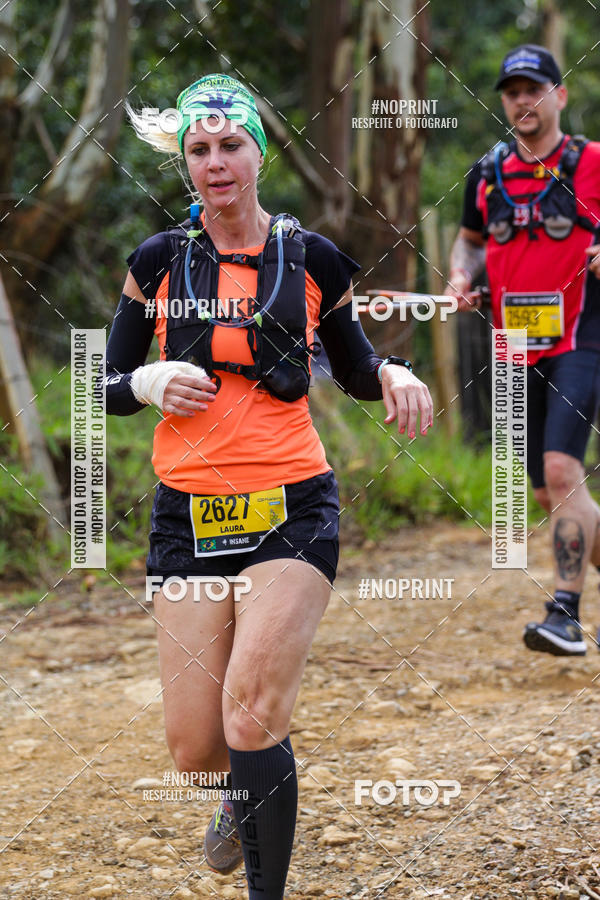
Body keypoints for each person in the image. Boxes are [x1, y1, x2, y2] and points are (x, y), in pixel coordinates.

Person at [103, 73, 433, 899]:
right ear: (185, 163)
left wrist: (395, 371)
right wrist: (145, 381)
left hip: (292, 503)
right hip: (186, 515)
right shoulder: (157, 261)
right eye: (199, 149)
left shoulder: (311, 257)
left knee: (251, 712)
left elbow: (354, 367)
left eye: (231, 146)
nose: (216, 162)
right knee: (196, 748)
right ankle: (239, 792)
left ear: (258, 154)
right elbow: (100, 383)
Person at [445, 45, 600, 656]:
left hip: (579, 337)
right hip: (512, 346)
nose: (522, 101)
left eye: (534, 89)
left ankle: (564, 614)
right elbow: (468, 242)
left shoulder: (592, 162)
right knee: (549, 491)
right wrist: (461, 276)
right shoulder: (486, 173)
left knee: (563, 471)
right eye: (512, 92)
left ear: (559, 95)